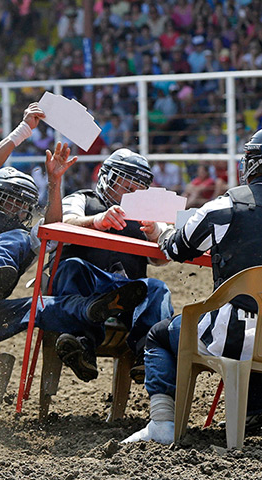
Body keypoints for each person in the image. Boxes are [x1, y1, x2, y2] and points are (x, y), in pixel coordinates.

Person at [122, 129, 262, 445]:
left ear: (251, 162)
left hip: (234, 337)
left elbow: (176, 249)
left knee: (158, 334)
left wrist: (162, 231)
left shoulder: (226, 206)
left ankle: (162, 424)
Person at [0, 104, 147, 380]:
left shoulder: (21, 238)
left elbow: (52, 230)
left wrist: (54, 181)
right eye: (10, 199)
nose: (15, 209)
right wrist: (24, 129)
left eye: (22, 205)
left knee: (40, 305)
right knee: (16, 238)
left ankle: (93, 307)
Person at [53, 148, 175, 384]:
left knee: (158, 289)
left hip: (127, 293)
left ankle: (148, 352)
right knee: (72, 267)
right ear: (107, 179)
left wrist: (155, 233)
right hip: (88, 290)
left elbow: (162, 258)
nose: (131, 194)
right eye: (126, 187)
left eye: (138, 190)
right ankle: (81, 344)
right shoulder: (83, 199)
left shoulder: (146, 216)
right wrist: (96, 222)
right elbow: (64, 223)